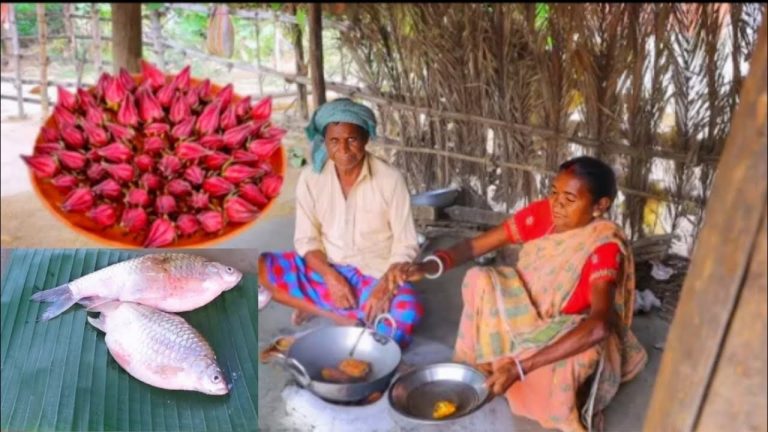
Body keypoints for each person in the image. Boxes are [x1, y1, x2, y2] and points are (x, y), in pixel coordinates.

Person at [398, 156, 647, 431]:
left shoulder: (603, 246)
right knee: (479, 278)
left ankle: (515, 375)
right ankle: (475, 369)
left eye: (569, 198)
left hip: (559, 329)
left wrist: (521, 367)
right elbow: (474, 248)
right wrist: (427, 266)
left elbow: (599, 325)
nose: (557, 205)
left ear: (600, 206)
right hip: (522, 311)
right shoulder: (543, 215)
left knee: (580, 356)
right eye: (553, 193)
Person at [257, 98, 423, 348]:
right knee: (262, 268)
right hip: (328, 269)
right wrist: (331, 277)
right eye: (334, 141)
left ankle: (321, 305)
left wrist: (384, 288)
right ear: (325, 142)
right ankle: (339, 316)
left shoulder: (390, 179)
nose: (343, 150)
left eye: (352, 139)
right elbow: (307, 239)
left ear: (366, 139)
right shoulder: (311, 179)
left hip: (375, 274)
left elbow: (406, 244)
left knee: (407, 313)